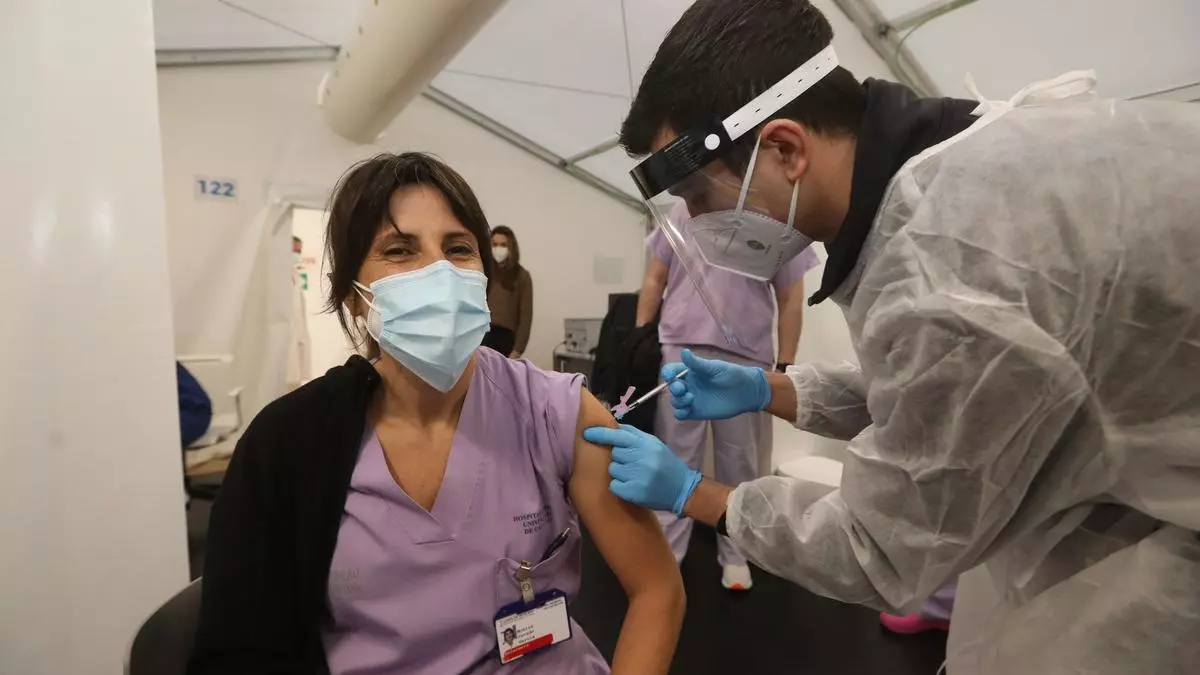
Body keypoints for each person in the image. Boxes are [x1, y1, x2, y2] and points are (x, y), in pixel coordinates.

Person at [583, 1, 1200, 673]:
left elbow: (879, 547)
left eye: (701, 196)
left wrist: (690, 492)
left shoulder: (952, 262)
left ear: (786, 149)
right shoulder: (957, 176)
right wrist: (769, 388)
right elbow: (942, 396)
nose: (698, 224)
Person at [190, 153, 684, 675]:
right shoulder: (287, 443)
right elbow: (240, 645)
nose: (439, 272)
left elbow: (656, 589)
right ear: (353, 295)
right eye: (399, 251)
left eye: (458, 249)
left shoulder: (556, 410)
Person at [637, 201, 818, 590]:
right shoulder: (681, 208)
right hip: (681, 343)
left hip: (747, 354)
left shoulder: (774, 211)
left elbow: (790, 295)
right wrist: (639, 338)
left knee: (740, 460)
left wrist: (785, 366)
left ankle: (736, 552)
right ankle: (667, 551)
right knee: (674, 455)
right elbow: (655, 277)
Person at [482, 225, 533, 359]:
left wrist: (517, 351)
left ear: (511, 247)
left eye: (503, 245)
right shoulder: (484, 272)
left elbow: (526, 317)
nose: (498, 249)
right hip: (482, 336)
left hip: (506, 340)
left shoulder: (522, 276)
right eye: (494, 245)